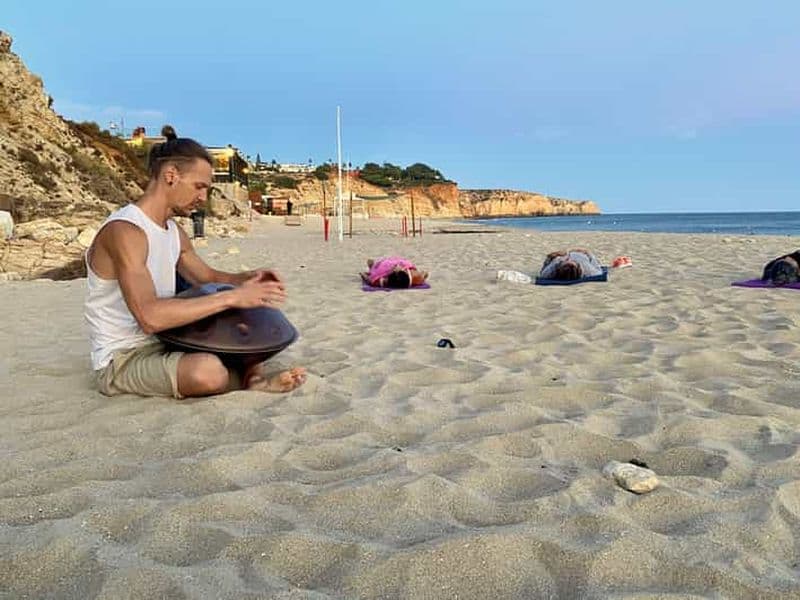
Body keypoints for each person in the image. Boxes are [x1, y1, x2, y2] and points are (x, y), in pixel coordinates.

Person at [84, 125, 306, 399]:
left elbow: (207, 277)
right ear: (171, 176)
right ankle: (248, 380)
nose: (203, 198)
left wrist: (247, 279)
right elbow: (149, 317)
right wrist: (233, 298)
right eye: (199, 187)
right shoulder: (126, 231)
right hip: (122, 358)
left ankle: (251, 376)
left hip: (169, 341)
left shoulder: (172, 230)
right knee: (208, 372)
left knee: (246, 327)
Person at [360, 256, 428, 288]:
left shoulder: (383, 281)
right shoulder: (415, 277)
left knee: (374, 267)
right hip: (401, 272)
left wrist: (363, 274)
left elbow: (369, 280)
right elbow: (425, 273)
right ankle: (372, 265)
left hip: (386, 268)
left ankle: (371, 265)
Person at [538, 248, 603, 281]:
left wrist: (552, 256)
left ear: (558, 267)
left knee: (552, 256)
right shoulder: (588, 270)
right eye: (570, 261)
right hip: (579, 254)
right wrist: (587, 253)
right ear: (578, 266)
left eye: (566, 260)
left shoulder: (552, 268)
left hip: (561, 256)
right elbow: (598, 268)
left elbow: (542, 272)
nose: (569, 259)